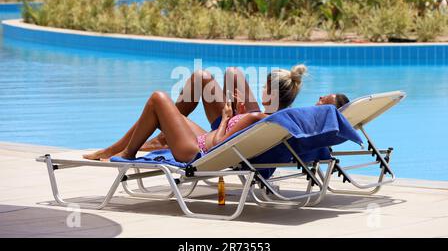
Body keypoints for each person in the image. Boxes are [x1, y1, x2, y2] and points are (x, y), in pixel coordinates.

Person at [83, 64, 308, 162]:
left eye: (264, 88)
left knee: (158, 99)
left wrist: (228, 118)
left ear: (269, 94)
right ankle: (125, 147)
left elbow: (221, 143)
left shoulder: (256, 117)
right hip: (202, 143)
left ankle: (125, 152)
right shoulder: (272, 120)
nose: (260, 90)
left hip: (198, 151)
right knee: (167, 109)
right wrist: (236, 116)